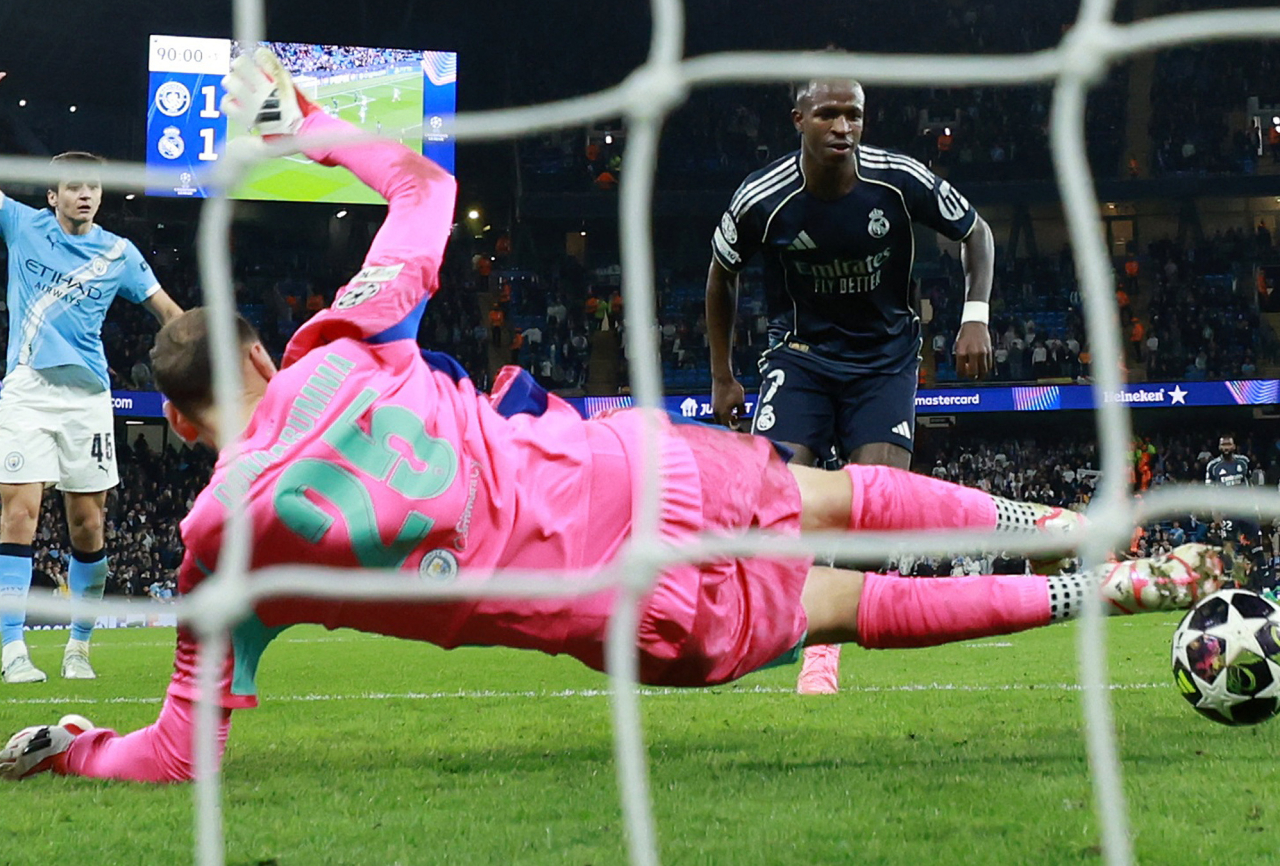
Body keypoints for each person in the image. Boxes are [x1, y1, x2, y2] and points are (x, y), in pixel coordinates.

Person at [0, 52, 1222, 783]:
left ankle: (1104, 588)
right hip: (645, 467)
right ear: (265, 348)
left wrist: (72, 745)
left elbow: (178, 755)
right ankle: (1074, 524)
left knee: (850, 606)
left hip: (638, 608)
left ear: (183, 424)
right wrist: (307, 125)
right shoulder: (346, 339)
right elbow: (425, 182)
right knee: (844, 497)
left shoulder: (222, 542)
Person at [705, 76, 995, 694]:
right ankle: (766, 617)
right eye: (829, 114)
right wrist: (722, 377)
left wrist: (976, 317)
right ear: (798, 119)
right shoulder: (762, 199)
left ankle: (823, 647)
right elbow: (721, 275)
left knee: (880, 505)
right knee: (776, 500)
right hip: (801, 357)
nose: (843, 127)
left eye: (854, 115)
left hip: (884, 360)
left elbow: (978, 233)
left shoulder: (898, 179)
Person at [0, 127, 184, 683]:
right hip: (26, 389)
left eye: (93, 188)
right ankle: (12, 650)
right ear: (52, 195)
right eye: (72, 187)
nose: (84, 194)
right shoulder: (21, 224)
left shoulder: (119, 254)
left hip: (88, 400)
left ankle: (78, 647)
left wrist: (199, 361)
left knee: (88, 526)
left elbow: (170, 317)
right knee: (18, 514)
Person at [1205, 432, 1260, 583]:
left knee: (1256, 541)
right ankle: (1230, 579)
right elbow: (1210, 492)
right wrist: (1215, 514)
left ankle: (1260, 577)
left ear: (1234, 446)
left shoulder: (1244, 462)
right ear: (1219, 447)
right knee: (1228, 545)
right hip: (1227, 511)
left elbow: (1251, 485)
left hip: (1246, 508)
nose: (1226, 447)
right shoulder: (1213, 466)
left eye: (1229, 444)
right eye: (1223, 444)